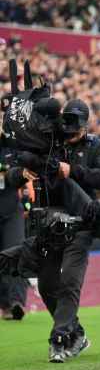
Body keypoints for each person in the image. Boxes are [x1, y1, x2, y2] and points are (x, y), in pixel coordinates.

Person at [4, 99, 100, 362]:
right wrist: (23, 172)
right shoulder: (50, 142)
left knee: (70, 282)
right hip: (50, 222)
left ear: (86, 126)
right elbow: (11, 173)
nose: (70, 130)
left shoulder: (96, 146)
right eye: (67, 122)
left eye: (76, 125)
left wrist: (72, 170)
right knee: (46, 283)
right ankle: (77, 334)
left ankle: (60, 340)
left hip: (83, 222)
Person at [0, 136, 28, 321]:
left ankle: (17, 302)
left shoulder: (12, 143)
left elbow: (22, 175)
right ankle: (5, 305)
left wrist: (8, 175)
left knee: (17, 251)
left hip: (11, 207)